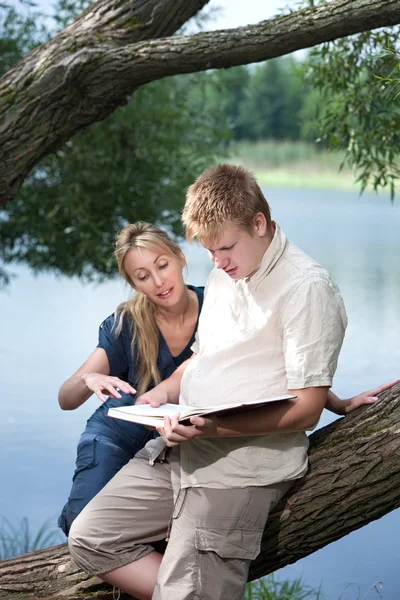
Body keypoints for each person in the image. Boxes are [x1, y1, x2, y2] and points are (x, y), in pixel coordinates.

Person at [67, 167, 396, 600]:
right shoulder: (227, 273)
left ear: (258, 224)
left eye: (225, 248)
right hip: (180, 451)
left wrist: (211, 427)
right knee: (91, 536)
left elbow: (305, 409)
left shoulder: (308, 290)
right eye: (209, 251)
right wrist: (162, 394)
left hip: (238, 471)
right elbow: (203, 358)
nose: (218, 263)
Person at [57, 222, 204, 536]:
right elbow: (65, 400)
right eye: (143, 276)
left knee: (158, 535)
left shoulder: (218, 309)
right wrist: (88, 380)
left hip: (176, 446)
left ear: (180, 257)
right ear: (134, 284)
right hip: (114, 437)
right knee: (82, 527)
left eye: (162, 265)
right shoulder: (126, 323)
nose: (159, 281)